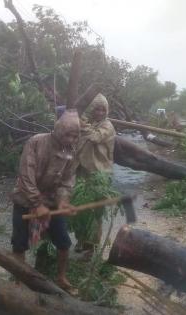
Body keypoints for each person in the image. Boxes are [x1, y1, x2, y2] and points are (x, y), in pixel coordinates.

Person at [11, 109, 81, 293]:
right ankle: (18, 280)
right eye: (69, 135)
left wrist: (63, 201)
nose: (72, 140)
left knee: (64, 242)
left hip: (51, 201)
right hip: (25, 199)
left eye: (75, 136)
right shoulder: (36, 142)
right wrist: (36, 203)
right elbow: (26, 175)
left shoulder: (71, 151)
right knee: (19, 243)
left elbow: (67, 180)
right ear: (58, 130)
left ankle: (61, 277)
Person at [74, 93, 116, 254]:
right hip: (83, 173)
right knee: (80, 208)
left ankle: (93, 246)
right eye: (96, 109)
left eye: (102, 110)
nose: (99, 112)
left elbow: (95, 138)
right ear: (92, 110)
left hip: (100, 175)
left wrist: (81, 124)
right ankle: (81, 240)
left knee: (96, 212)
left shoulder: (107, 126)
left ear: (106, 111)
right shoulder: (89, 123)